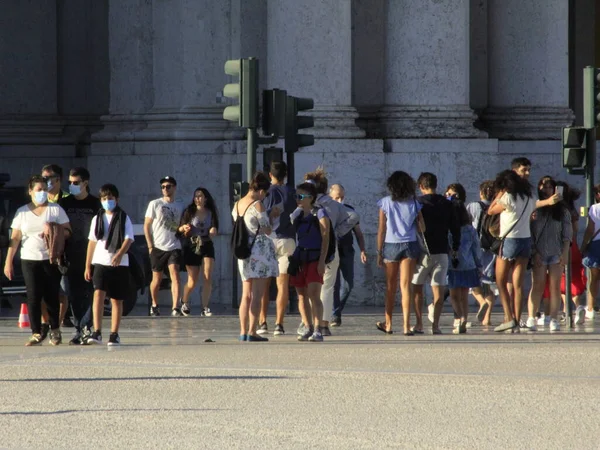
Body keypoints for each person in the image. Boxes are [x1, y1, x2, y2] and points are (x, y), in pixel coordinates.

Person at [3, 175, 71, 346]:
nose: (42, 193)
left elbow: (68, 231)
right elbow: (16, 237)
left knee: (51, 295)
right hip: (29, 259)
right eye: (39, 190)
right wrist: (8, 261)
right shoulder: (22, 212)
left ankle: (55, 330)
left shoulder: (55, 210)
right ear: (31, 191)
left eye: (44, 189)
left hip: (50, 258)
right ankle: (36, 332)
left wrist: (54, 228)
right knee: (33, 296)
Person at [300, 168, 359, 336]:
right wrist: (337, 232)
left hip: (312, 248)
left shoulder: (309, 203)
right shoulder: (333, 204)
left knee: (311, 287)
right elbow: (353, 216)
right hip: (332, 248)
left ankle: (311, 323)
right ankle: (324, 324)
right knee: (327, 287)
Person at [84, 184, 134, 346]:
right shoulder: (97, 218)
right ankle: (97, 331)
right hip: (100, 262)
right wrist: (87, 265)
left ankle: (114, 334)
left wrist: (119, 254)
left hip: (119, 264)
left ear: (117, 199)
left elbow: (128, 239)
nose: (107, 202)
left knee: (116, 299)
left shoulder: (124, 218)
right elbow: (92, 242)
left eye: (110, 198)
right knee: (98, 294)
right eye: (104, 199)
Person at [231, 172, 278, 342]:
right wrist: (272, 216)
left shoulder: (237, 205)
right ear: (261, 190)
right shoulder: (258, 205)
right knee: (257, 294)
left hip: (243, 251)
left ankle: (243, 331)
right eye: (265, 193)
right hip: (258, 251)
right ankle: (252, 331)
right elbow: (267, 229)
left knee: (246, 295)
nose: (264, 196)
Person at [411, 172, 460, 334]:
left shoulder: (417, 203)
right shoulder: (447, 204)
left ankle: (419, 324)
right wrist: (455, 248)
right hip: (442, 251)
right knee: (438, 290)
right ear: (435, 185)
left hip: (423, 252)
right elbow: (455, 228)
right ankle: (435, 326)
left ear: (421, 186)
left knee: (417, 288)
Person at [376, 171, 424, 335]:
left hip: (391, 244)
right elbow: (422, 228)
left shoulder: (385, 202)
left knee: (391, 286)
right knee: (406, 286)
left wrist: (379, 252)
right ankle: (406, 325)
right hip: (410, 244)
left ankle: (388, 323)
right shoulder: (414, 203)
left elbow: (381, 229)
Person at [487, 170, 535, 333]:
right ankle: (517, 319)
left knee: (500, 281)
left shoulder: (507, 197)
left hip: (510, 240)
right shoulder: (529, 197)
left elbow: (491, 210)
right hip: (525, 240)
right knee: (518, 284)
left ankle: (508, 318)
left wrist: (499, 194)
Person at [59, 167, 102, 344]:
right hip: (69, 255)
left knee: (91, 292)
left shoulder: (95, 204)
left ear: (86, 183)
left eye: (76, 183)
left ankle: (86, 326)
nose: (72, 185)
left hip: (91, 254)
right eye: (69, 182)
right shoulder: (65, 203)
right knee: (73, 293)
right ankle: (78, 328)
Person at [525, 176, 571, 332]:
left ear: (555, 189)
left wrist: (564, 253)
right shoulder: (534, 208)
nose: (546, 189)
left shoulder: (563, 210)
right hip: (538, 252)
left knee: (555, 286)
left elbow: (567, 235)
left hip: (556, 252)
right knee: (537, 285)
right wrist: (534, 252)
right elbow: (529, 232)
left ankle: (553, 318)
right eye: (543, 186)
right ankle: (532, 317)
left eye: (549, 186)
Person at [257, 161, 297, 336]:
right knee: (283, 284)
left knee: (264, 284)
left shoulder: (266, 193)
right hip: (287, 240)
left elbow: (261, 216)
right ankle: (279, 324)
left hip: (269, 239)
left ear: (270, 175)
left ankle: (262, 322)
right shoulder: (293, 192)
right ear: (286, 175)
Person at [290, 181, 331, 342]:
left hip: (314, 257)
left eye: (301, 196)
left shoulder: (320, 213)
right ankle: (307, 326)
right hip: (300, 257)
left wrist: (322, 260)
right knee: (301, 295)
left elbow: (325, 237)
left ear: (311, 198)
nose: (298, 199)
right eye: (296, 196)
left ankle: (318, 329)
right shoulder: (298, 214)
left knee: (314, 294)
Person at [144, 176, 185, 317]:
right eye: (163, 187)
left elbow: (182, 224)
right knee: (157, 278)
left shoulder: (180, 205)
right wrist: (150, 246)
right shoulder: (155, 204)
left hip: (174, 245)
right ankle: (155, 305)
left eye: (168, 186)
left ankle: (175, 307)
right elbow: (147, 225)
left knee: (175, 274)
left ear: (174, 187)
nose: (165, 189)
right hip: (158, 246)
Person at [329, 184, 367, 327]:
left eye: (342, 197)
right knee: (334, 284)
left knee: (348, 284)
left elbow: (358, 233)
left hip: (347, 251)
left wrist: (362, 250)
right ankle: (334, 314)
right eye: (336, 197)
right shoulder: (327, 212)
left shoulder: (350, 211)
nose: (340, 201)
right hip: (332, 251)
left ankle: (335, 311)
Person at [179, 187, 218, 317]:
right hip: (192, 245)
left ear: (205, 198)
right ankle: (184, 301)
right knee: (192, 280)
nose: (197, 198)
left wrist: (213, 230)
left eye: (200, 196)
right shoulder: (189, 211)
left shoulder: (211, 212)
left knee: (207, 276)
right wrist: (184, 228)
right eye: (196, 196)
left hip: (206, 244)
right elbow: (180, 228)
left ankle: (205, 307)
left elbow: (215, 226)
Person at [41, 164, 71, 329]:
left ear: (58, 179)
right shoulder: (40, 198)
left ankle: (57, 325)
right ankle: (45, 323)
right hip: (43, 251)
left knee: (62, 291)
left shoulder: (67, 198)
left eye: (48, 178)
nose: (45, 181)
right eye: (43, 178)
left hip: (63, 251)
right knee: (42, 291)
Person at [447, 196, 483, 334]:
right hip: (469, 265)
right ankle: (465, 320)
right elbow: (476, 249)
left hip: (452, 265)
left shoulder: (448, 229)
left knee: (454, 296)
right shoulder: (470, 229)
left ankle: (459, 319)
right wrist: (479, 266)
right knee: (464, 297)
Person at [466, 180, 497, 326]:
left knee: (473, 280)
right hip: (492, 248)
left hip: (475, 247)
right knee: (488, 283)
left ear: (481, 193)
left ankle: (481, 301)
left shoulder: (473, 206)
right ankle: (487, 318)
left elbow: (466, 223)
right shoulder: (498, 207)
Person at [580, 184, 600, 323]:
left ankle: (591, 309)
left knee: (594, 278)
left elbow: (590, 229)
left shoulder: (595, 208)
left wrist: (583, 246)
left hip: (596, 244)